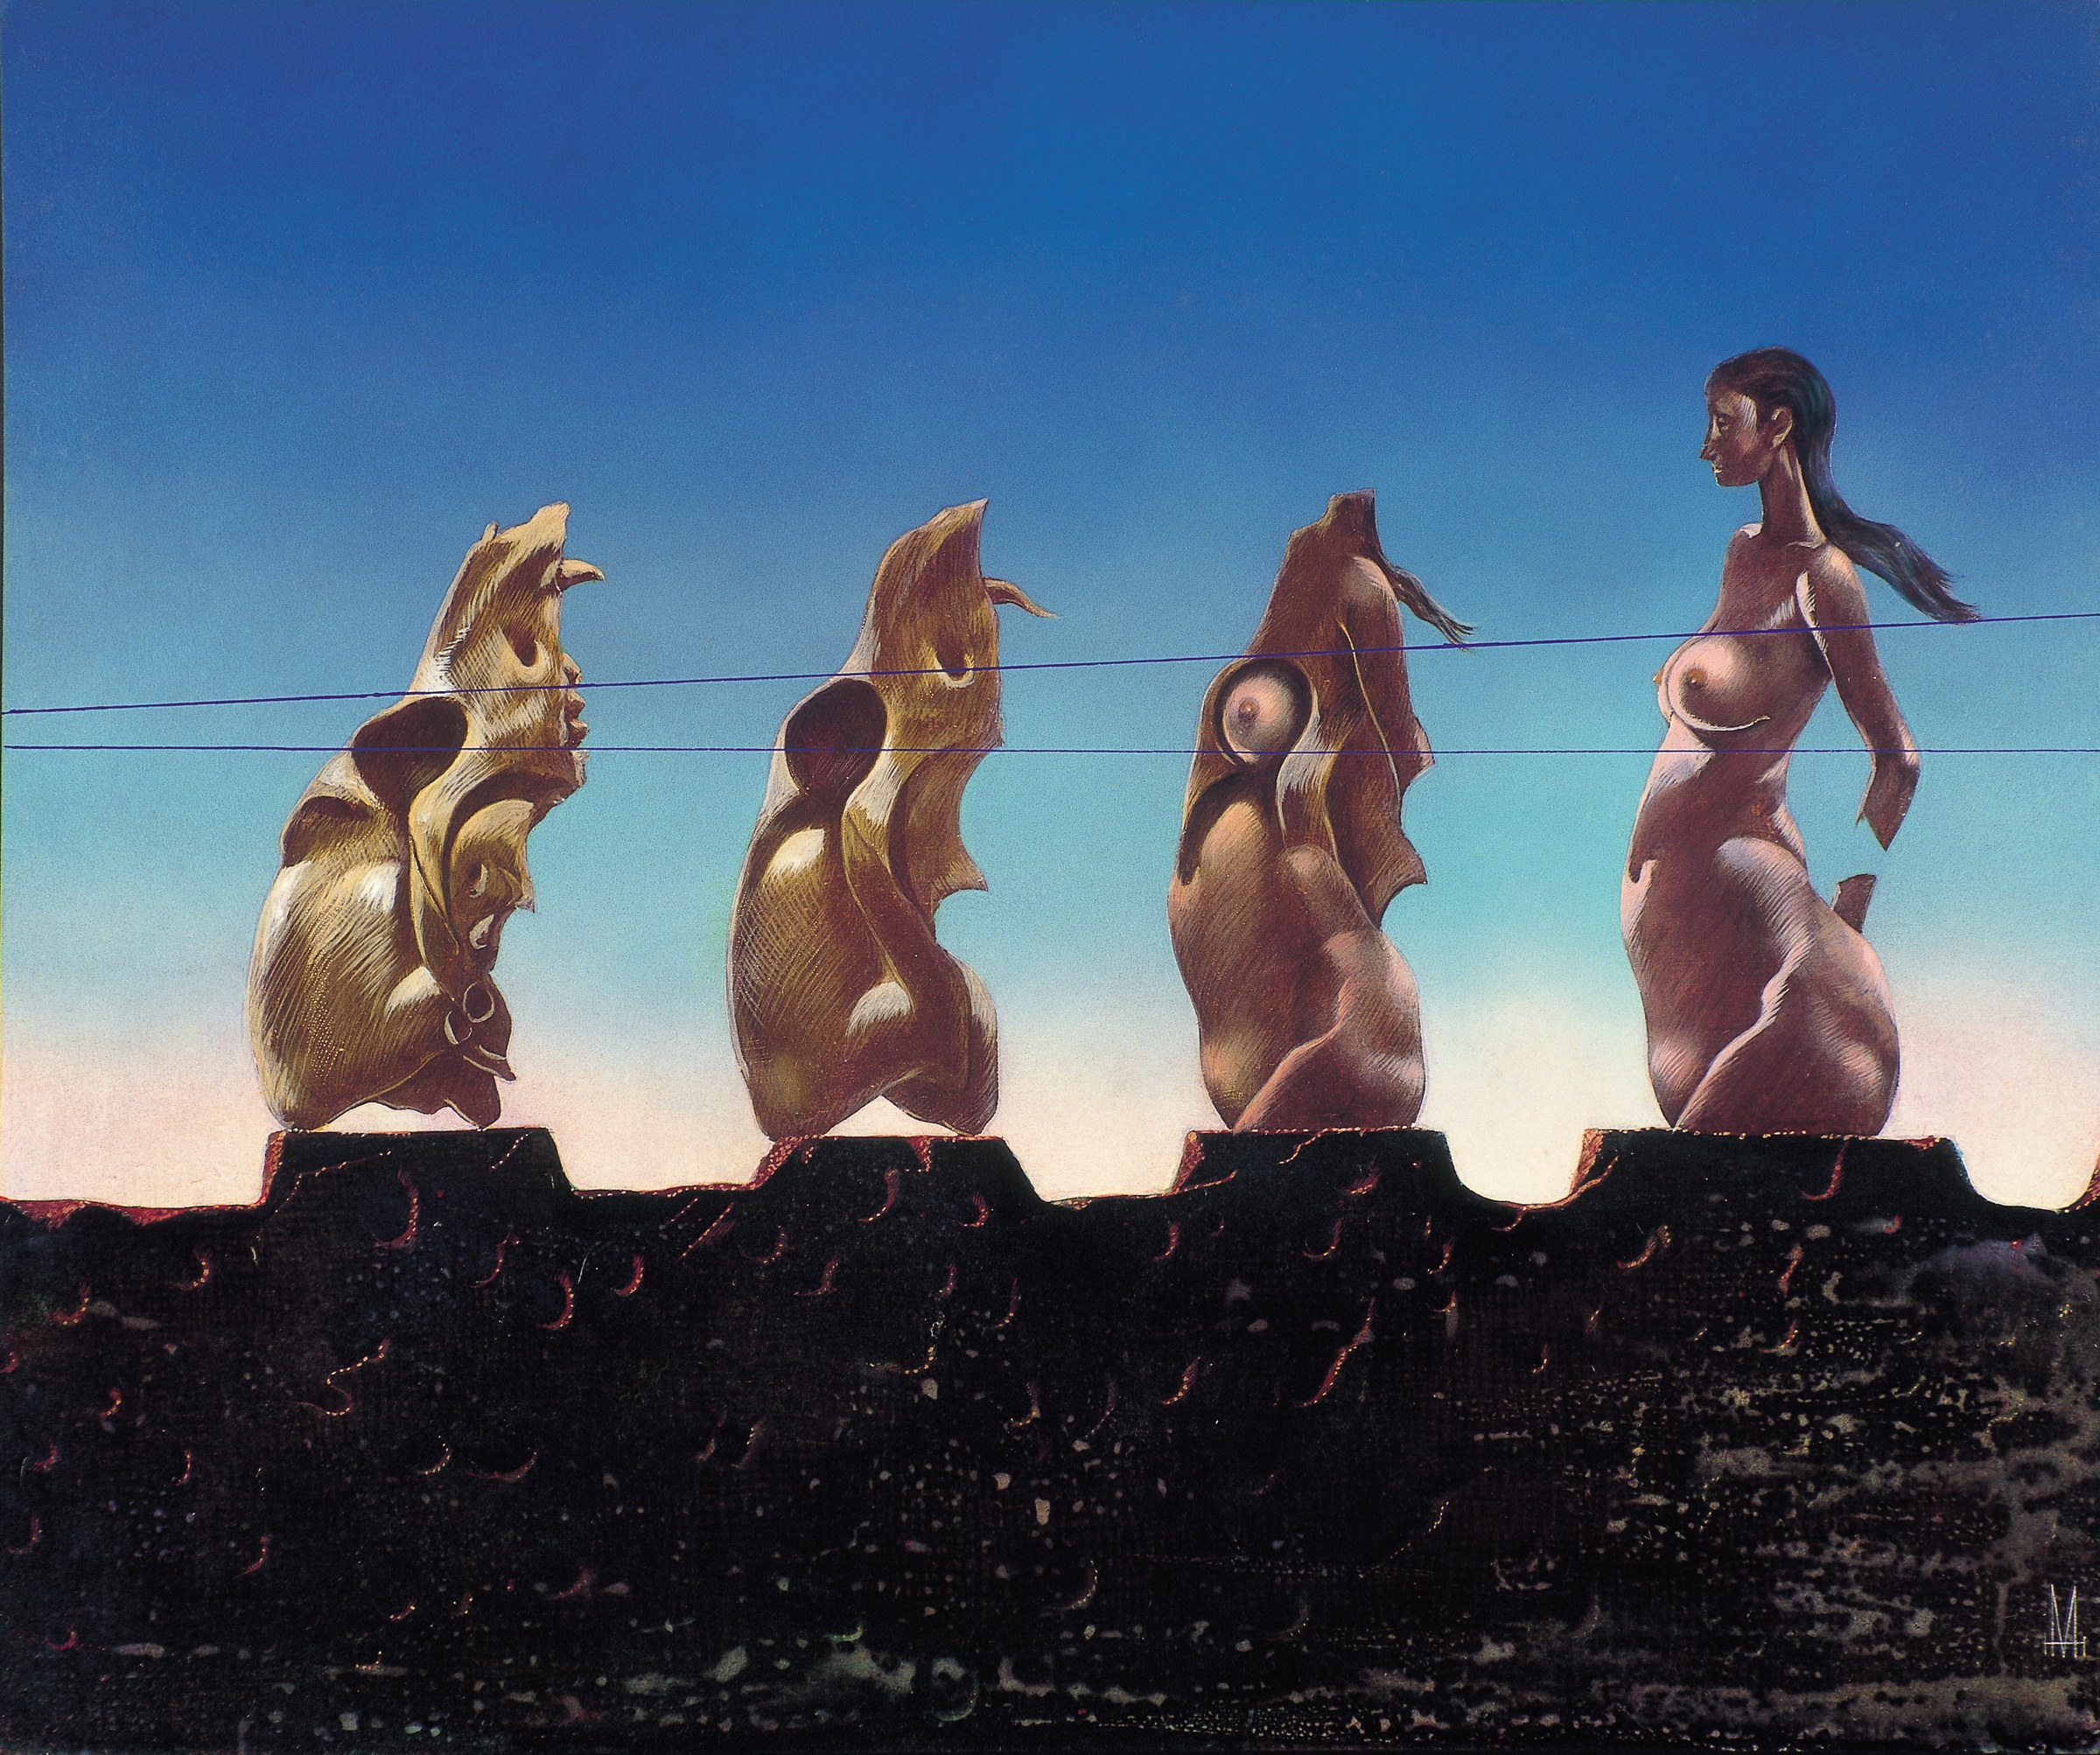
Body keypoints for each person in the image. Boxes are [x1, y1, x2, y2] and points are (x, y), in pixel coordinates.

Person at [1623, 347, 1974, 1135]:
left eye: (1723, 423)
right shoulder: (1744, 552)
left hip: (1760, 908)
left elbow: (1898, 757)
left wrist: (1848, 917)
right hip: (1692, 937)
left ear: (1778, 424)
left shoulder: (1826, 578)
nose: (1707, 446)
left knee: (1683, 1170)